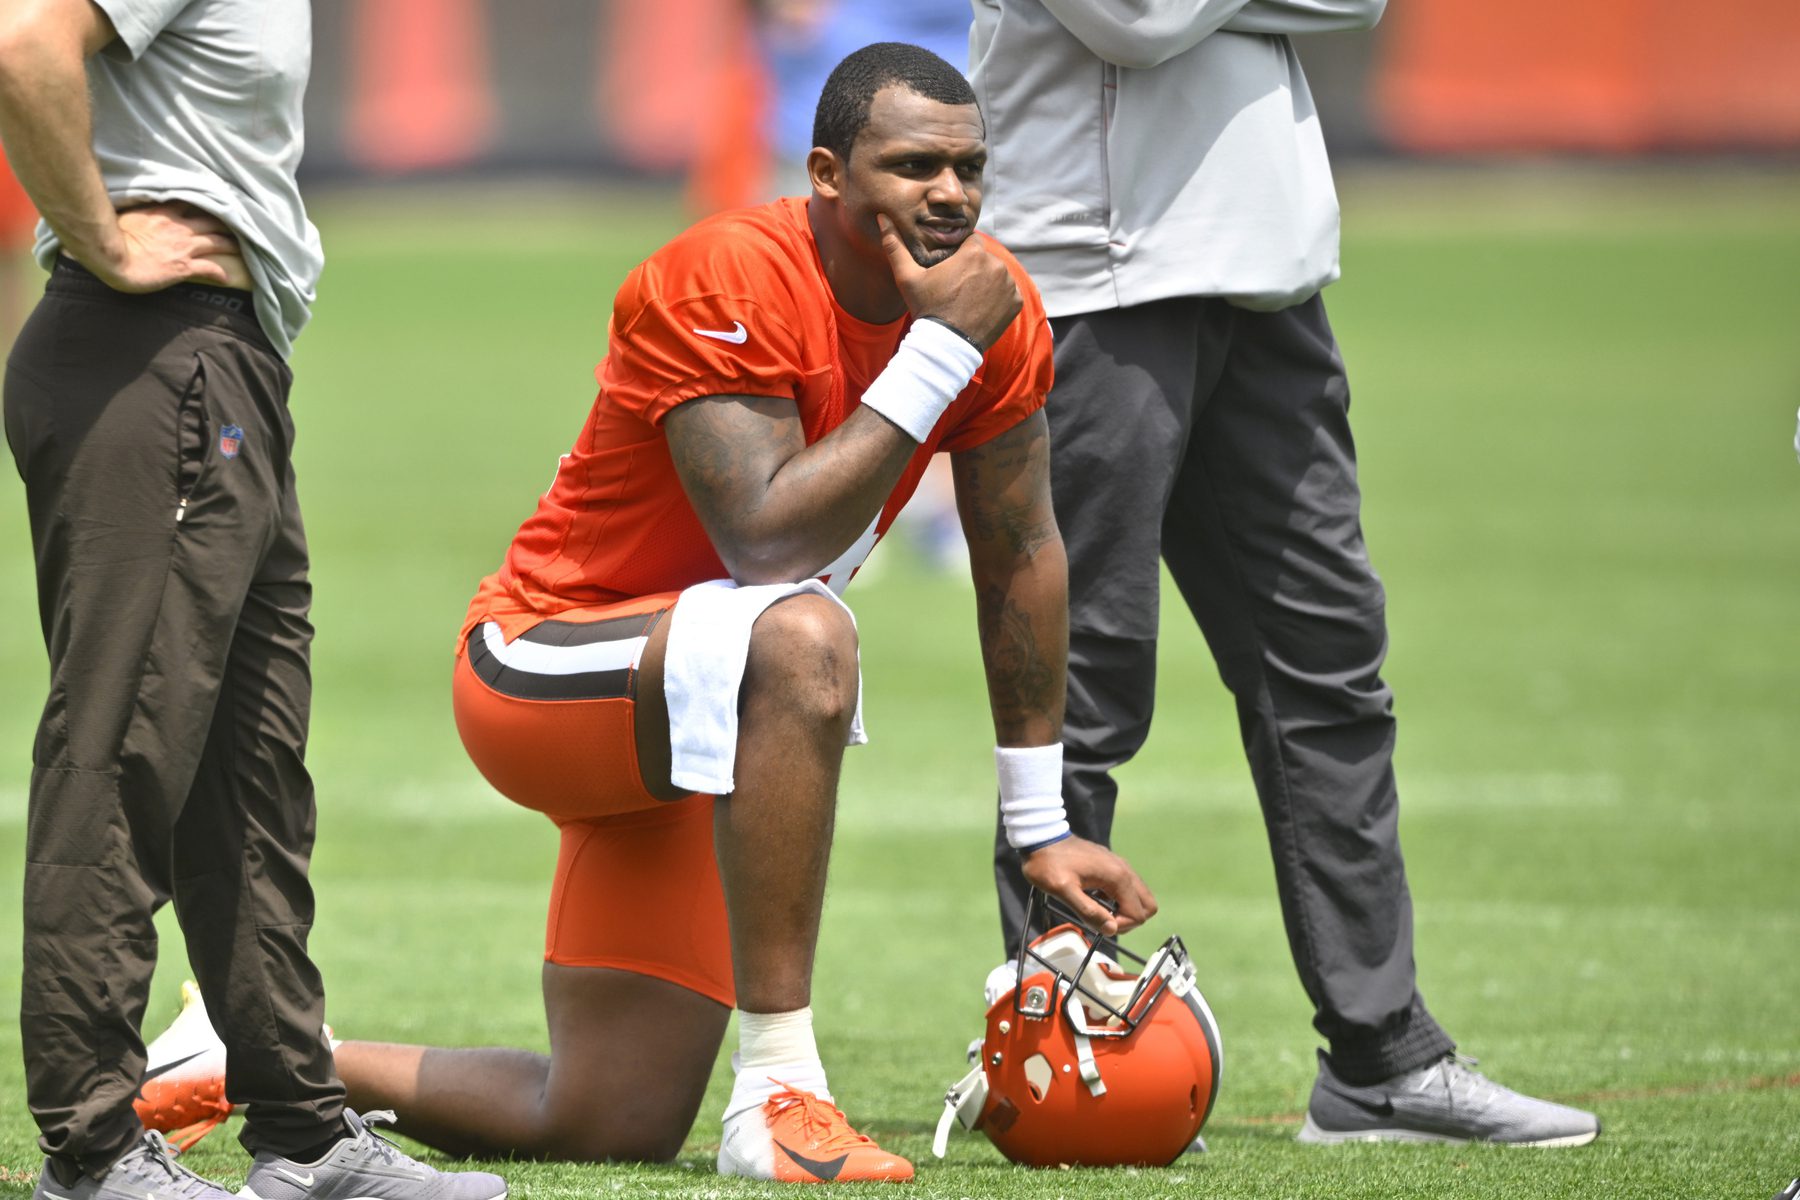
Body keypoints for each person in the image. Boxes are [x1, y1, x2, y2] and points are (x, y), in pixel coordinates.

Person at [136, 40, 1155, 1182]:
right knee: (805, 633)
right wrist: (931, 358)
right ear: (825, 174)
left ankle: (247, 1054)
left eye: (970, 168)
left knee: (608, 1120)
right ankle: (780, 1091)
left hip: (707, 719)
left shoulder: (990, 306)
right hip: (545, 662)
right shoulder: (727, 274)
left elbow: (1020, 548)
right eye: (915, 166)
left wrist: (1040, 825)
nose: (951, 195)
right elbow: (766, 540)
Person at [969, 0, 1602, 1146]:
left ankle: (1379, 1057)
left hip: (1269, 280)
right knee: (1088, 683)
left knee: (1329, 673)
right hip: (1092, 281)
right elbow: (1135, 20)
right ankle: (1057, 1061)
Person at [0, 3, 507, 1199]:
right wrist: (103, 241)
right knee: (126, 747)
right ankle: (92, 1146)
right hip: (150, 348)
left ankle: (302, 1131)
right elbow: (24, 44)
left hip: (217, 361)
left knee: (250, 766)